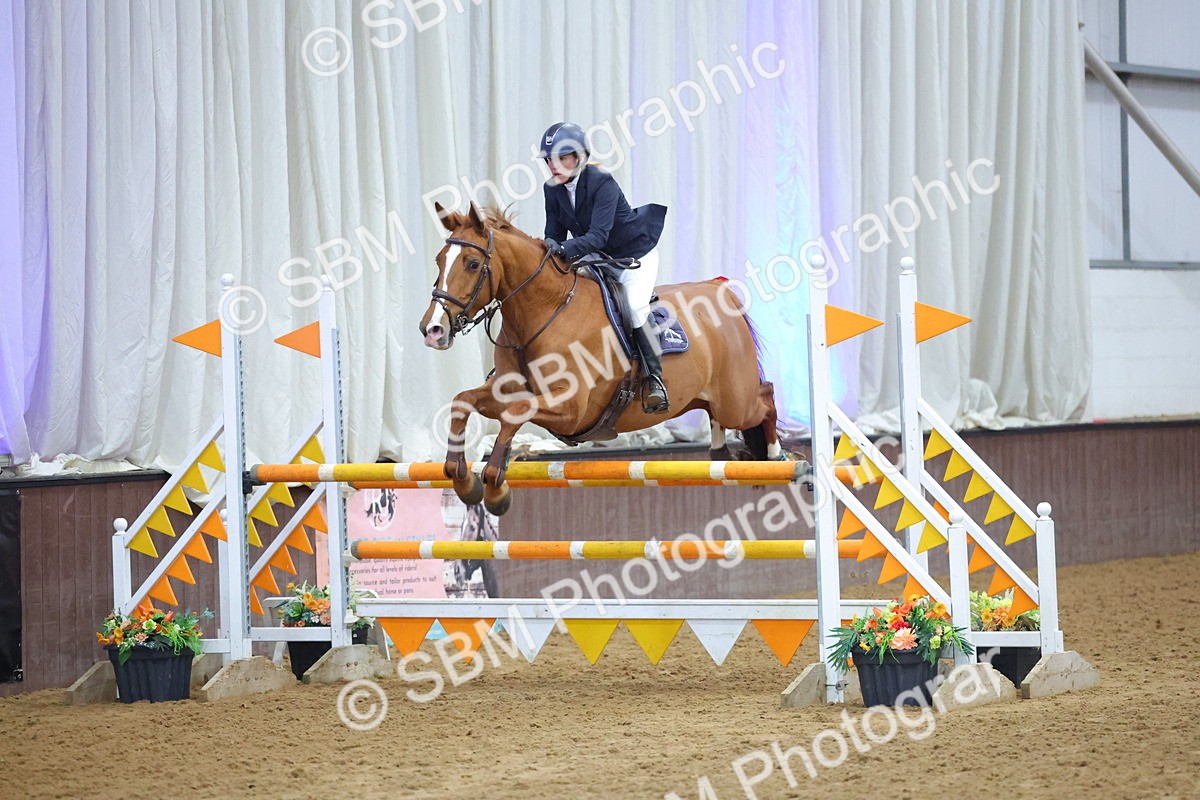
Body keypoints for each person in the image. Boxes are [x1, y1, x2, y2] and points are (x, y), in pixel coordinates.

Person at [538, 121, 670, 414]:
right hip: (598, 259)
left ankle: (655, 379)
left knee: (635, 307)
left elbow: (598, 235)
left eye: (562, 158)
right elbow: (555, 234)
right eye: (549, 160)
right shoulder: (552, 189)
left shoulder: (602, 182)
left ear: (580, 157)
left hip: (634, 257)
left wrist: (561, 249)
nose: (553, 166)